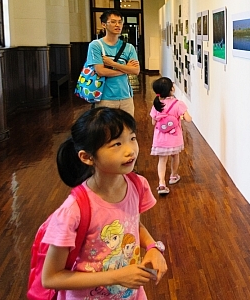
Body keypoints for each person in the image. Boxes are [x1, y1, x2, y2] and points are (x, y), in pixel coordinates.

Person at [41, 108, 168, 299]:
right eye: (116, 144)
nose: (130, 150)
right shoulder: (73, 210)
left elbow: (132, 223)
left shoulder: (137, 185)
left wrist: (152, 247)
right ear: (87, 157)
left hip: (131, 295)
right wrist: (116, 277)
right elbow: (50, 278)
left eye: (132, 138)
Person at [87, 10, 140, 116]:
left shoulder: (129, 47)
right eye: (113, 22)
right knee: (106, 126)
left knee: (127, 126)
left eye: (120, 22)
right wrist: (126, 69)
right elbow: (101, 71)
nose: (117, 25)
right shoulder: (96, 45)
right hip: (104, 97)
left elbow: (136, 71)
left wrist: (113, 64)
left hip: (126, 96)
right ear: (103, 24)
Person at [150, 77, 191, 195]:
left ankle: (161, 183)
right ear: (172, 89)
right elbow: (188, 119)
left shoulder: (157, 104)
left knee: (162, 160)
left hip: (160, 139)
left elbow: (153, 122)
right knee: (175, 156)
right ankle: (173, 176)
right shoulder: (178, 104)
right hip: (174, 138)